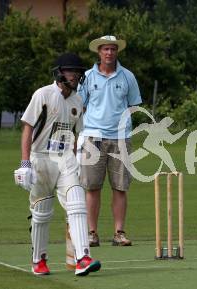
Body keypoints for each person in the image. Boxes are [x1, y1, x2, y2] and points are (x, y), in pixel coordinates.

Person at [14, 53, 101, 276]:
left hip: (65, 158)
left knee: (77, 201)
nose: (76, 76)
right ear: (60, 72)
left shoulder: (78, 100)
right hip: (40, 158)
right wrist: (25, 163)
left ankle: (83, 257)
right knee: (42, 212)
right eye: (72, 71)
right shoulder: (43, 94)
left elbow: (75, 133)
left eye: (78, 72)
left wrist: (76, 159)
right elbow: (27, 129)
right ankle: (38, 260)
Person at [78, 35, 142, 247]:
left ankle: (119, 232)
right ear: (99, 52)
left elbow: (134, 105)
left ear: (117, 52)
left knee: (120, 187)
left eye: (113, 49)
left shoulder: (127, 77)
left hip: (121, 137)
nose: (109, 53)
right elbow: (80, 106)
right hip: (93, 136)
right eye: (105, 49)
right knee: (92, 187)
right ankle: (91, 233)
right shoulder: (87, 77)